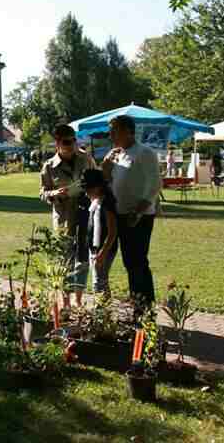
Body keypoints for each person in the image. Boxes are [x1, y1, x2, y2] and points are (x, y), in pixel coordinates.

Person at [102, 114, 161, 307]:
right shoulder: (119, 154)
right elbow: (111, 183)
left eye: (114, 129)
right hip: (121, 215)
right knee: (130, 262)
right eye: (110, 130)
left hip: (138, 216)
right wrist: (106, 168)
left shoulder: (144, 153)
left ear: (129, 131)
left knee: (137, 263)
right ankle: (138, 302)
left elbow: (154, 184)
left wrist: (138, 212)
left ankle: (144, 307)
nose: (111, 134)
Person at [39, 123, 96, 308]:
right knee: (64, 259)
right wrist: (54, 194)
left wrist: (90, 190)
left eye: (73, 140)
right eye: (66, 142)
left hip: (84, 214)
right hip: (63, 218)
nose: (71, 144)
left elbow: (98, 181)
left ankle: (78, 299)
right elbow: (43, 192)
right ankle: (65, 301)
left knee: (82, 258)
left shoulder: (86, 159)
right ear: (57, 144)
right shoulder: (49, 166)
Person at [81, 169, 118, 296]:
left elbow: (112, 231)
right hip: (95, 248)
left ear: (98, 187)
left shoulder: (107, 203)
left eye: (89, 190)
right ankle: (102, 310)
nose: (86, 193)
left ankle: (101, 310)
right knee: (99, 280)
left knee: (99, 282)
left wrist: (103, 252)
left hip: (104, 248)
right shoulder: (96, 201)